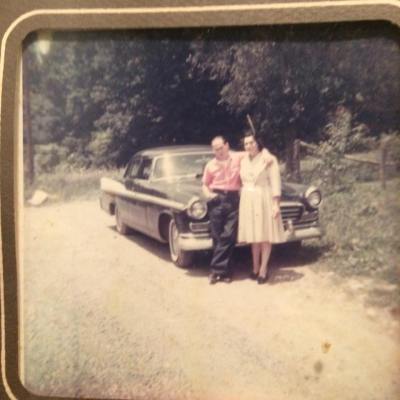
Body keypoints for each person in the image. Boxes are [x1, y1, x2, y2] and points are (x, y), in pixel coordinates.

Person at [237, 132, 285, 284]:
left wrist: (276, 204)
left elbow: (275, 183)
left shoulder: (269, 159)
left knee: (264, 235)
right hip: (248, 200)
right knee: (254, 236)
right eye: (246, 144)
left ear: (258, 143)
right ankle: (255, 268)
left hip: (263, 198)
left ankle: (263, 270)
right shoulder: (243, 160)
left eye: (251, 142)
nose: (249, 146)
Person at [202, 136, 243, 284]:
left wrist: (267, 156)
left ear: (227, 145)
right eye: (215, 149)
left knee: (229, 235)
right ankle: (226, 272)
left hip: (233, 199)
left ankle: (215, 271)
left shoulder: (238, 158)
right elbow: (205, 184)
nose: (218, 151)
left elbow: (255, 151)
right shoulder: (210, 165)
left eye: (220, 148)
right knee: (217, 236)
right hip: (216, 199)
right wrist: (209, 195)